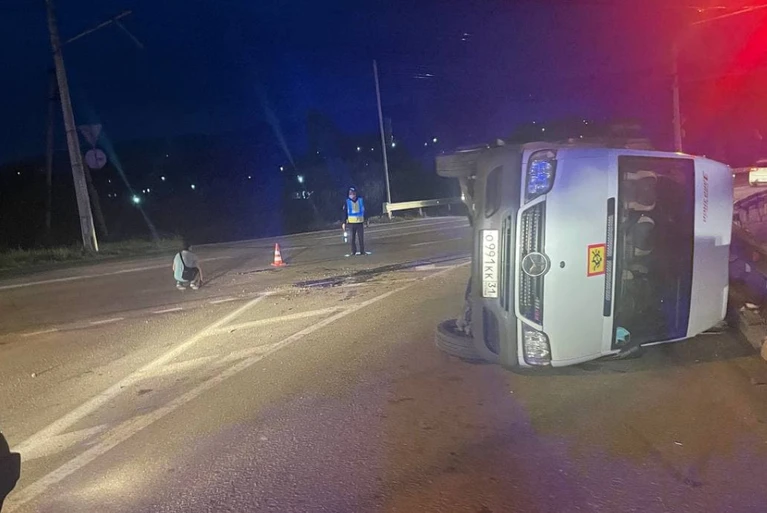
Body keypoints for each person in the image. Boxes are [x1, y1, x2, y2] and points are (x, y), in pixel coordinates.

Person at [342, 186, 366, 256]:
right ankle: (353, 251)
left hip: (360, 222)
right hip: (351, 223)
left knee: (361, 238)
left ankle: (362, 251)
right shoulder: (347, 202)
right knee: (352, 239)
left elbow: (364, 211)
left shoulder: (360, 201)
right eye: (350, 193)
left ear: (355, 193)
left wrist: (366, 219)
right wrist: (343, 222)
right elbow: (345, 213)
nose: (352, 195)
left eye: (353, 193)